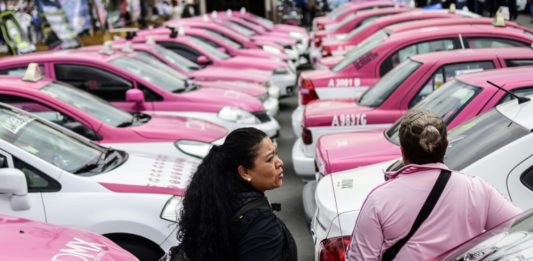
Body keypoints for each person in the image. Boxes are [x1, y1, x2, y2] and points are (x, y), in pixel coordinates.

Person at [345, 109, 522, 261]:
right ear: (446, 146)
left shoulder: (379, 200)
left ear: (403, 151)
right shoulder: (477, 189)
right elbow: (519, 231)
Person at [169, 127, 297, 261]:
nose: (279, 162)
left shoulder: (218, 203)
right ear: (245, 172)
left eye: (276, 153)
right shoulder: (260, 224)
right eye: (270, 159)